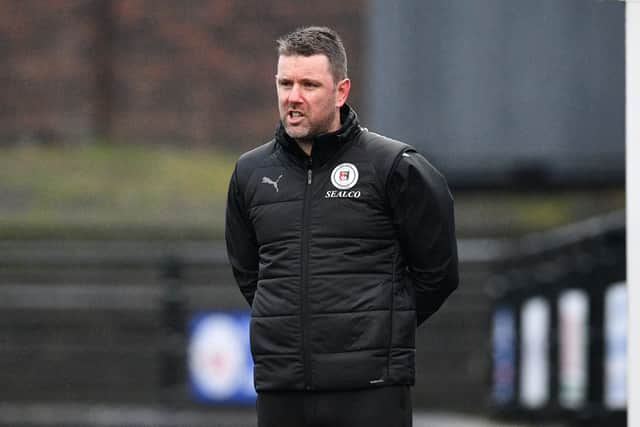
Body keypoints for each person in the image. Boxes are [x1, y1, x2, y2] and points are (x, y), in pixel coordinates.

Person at [225, 26, 458, 427]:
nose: (293, 97)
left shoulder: (394, 167)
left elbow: (438, 272)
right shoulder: (250, 173)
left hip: (371, 390)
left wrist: (381, 325)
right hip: (282, 388)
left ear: (341, 91)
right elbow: (249, 273)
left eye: (309, 84)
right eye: (285, 83)